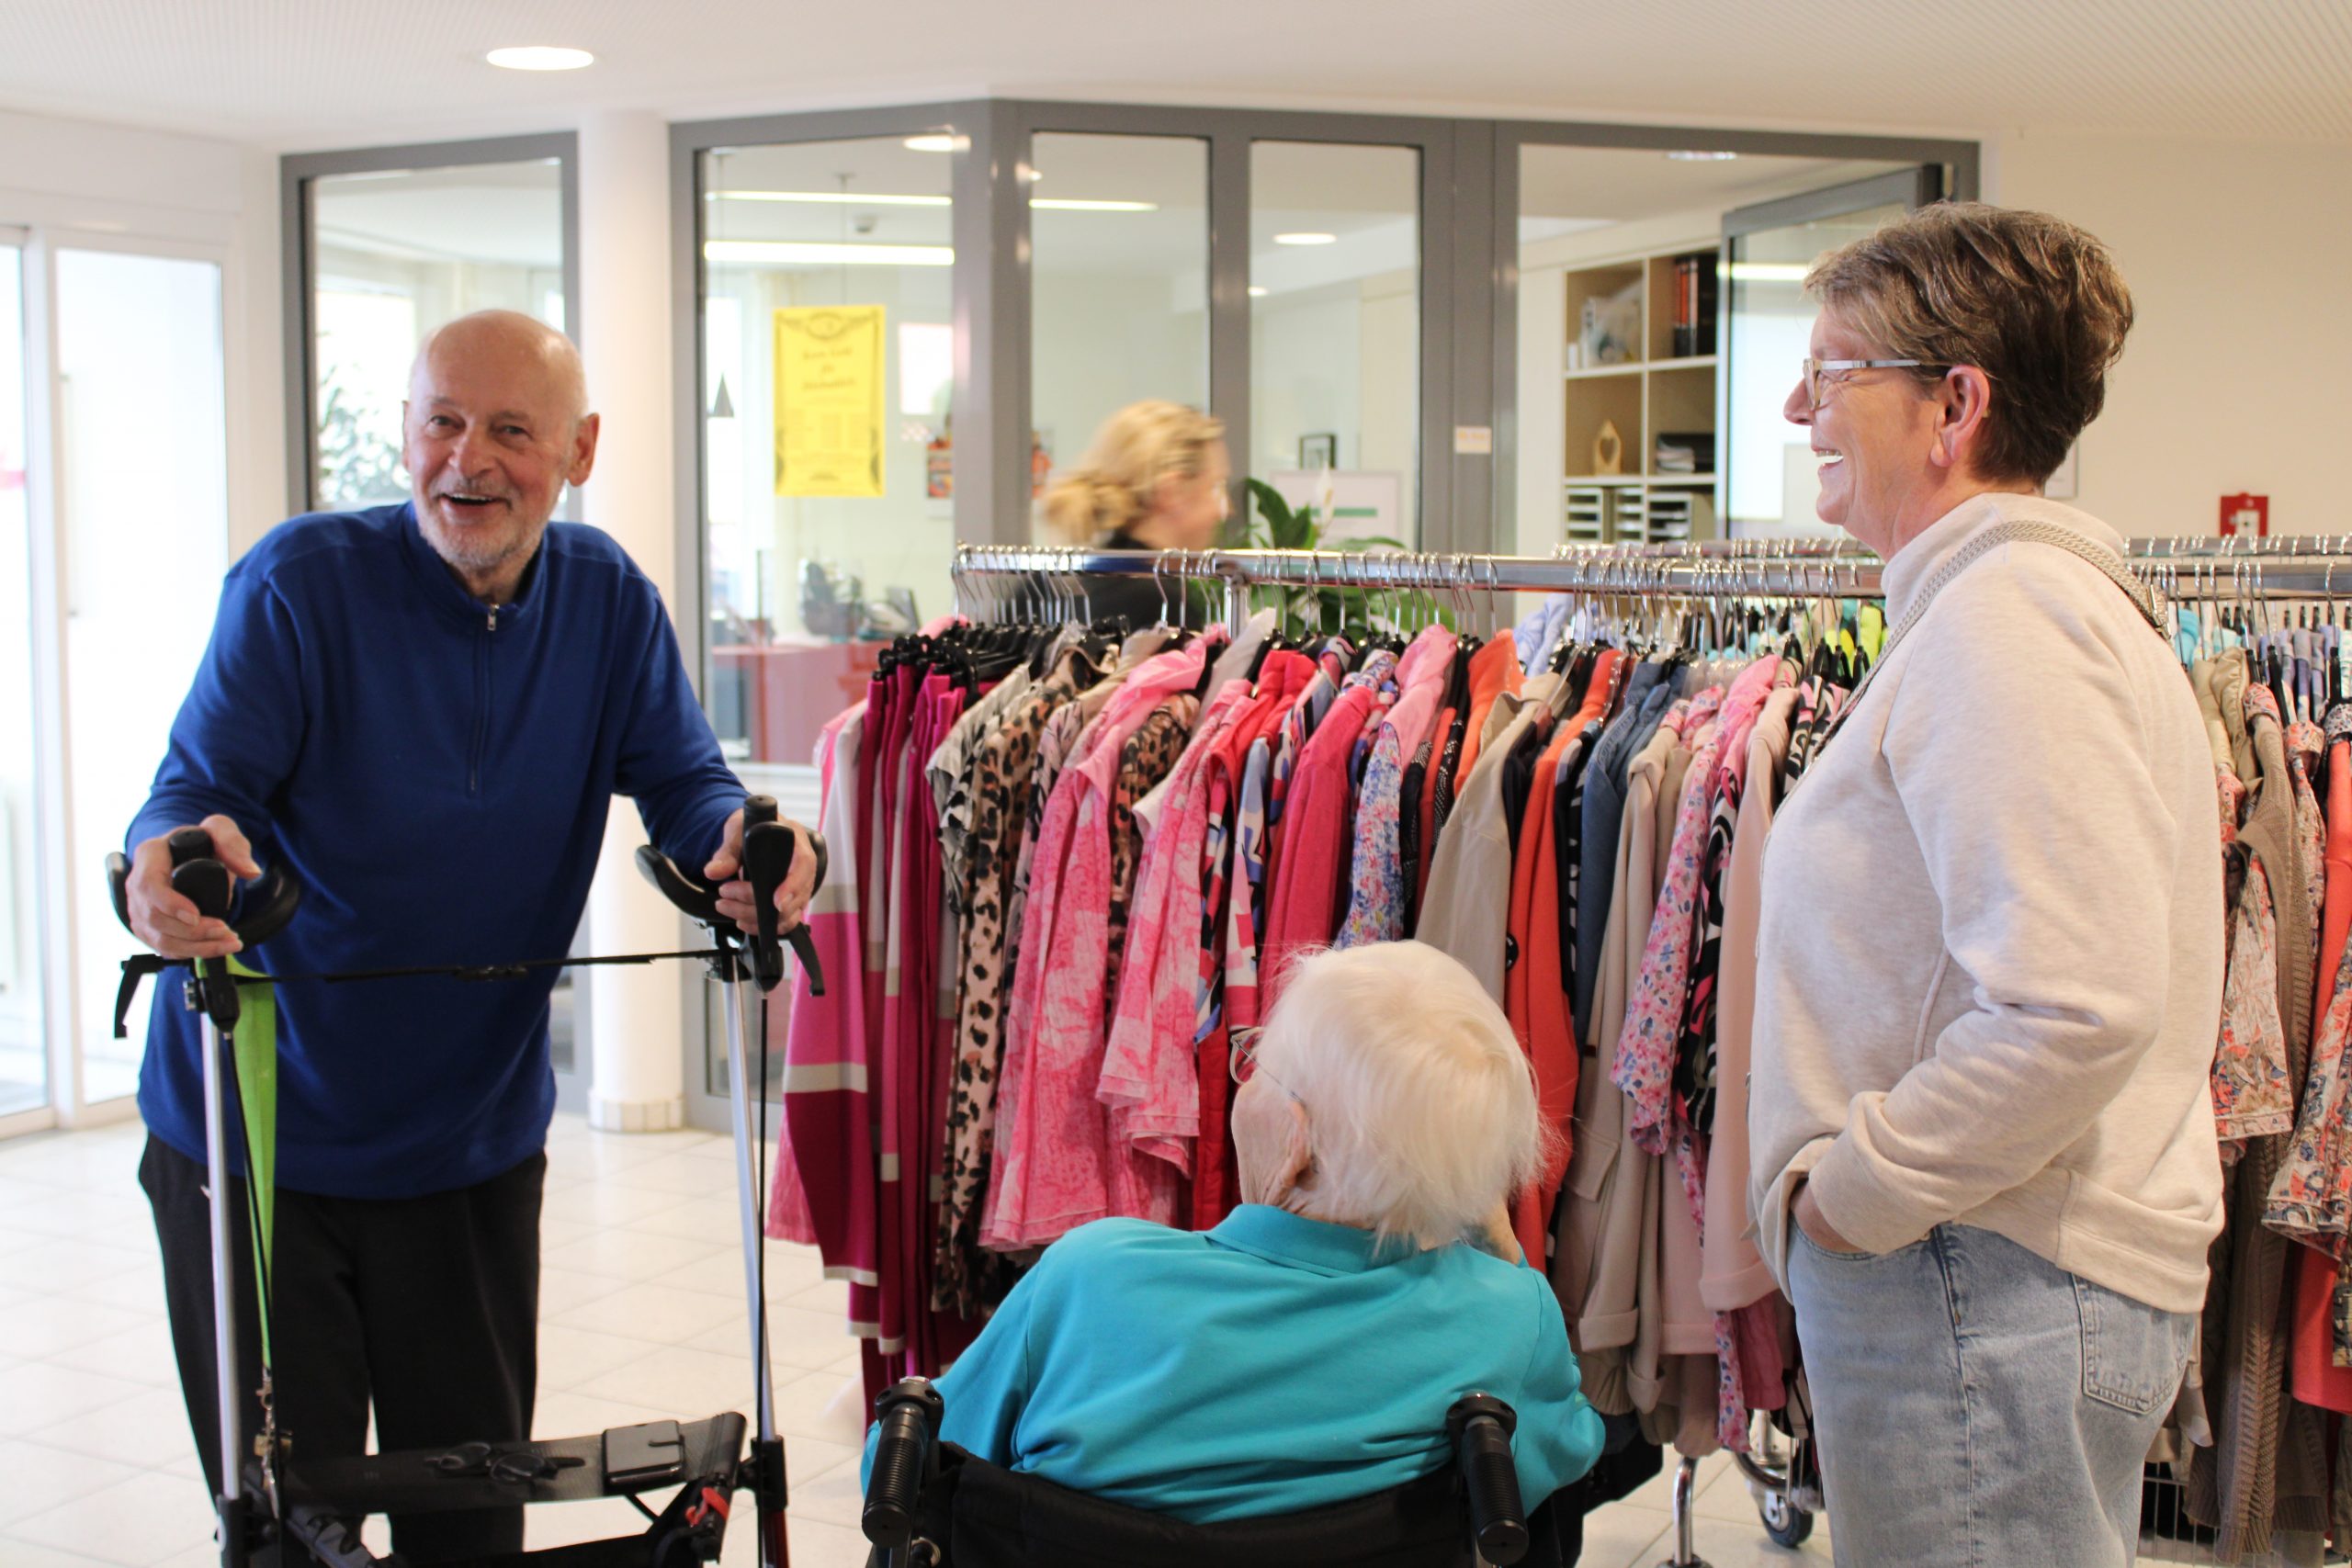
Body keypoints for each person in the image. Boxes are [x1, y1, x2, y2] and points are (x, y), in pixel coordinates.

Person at [125, 309, 816, 1561]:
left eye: (510, 428)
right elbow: (194, 786)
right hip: (262, 1136)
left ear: (580, 447)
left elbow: (685, 779)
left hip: (469, 1144)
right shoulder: (301, 584)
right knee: (292, 1524)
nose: (469, 459)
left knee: (472, 1514)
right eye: (442, 420)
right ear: (404, 429)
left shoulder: (607, 602)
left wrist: (741, 847)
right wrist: (164, 865)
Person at [1747, 204, 2222, 1565]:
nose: (1798, 407)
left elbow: (2074, 1001)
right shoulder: (1994, 608)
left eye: (1834, 375)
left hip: (1981, 1268)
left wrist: (1855, 1196)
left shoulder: (2011, 619)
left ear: (1955, 403)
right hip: (1989, 1268)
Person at [865, 940, 1604, 1523]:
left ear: (1295, 1140)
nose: (1242, 1081)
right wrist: (1499, 1246)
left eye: (1257, 1059)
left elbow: (899, 1471)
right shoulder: (1507, 1322)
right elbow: (1567, 1449)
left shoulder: (1090, 1280)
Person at [1039, 400, 1230, 631]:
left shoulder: (1045, 589)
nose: (1225, 509)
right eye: (1214, 488)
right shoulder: (1159, 606)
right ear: (1172, 491)